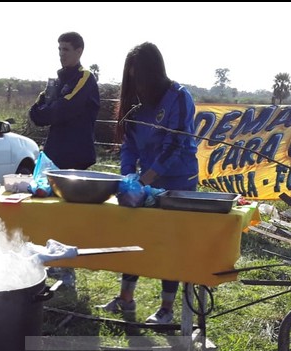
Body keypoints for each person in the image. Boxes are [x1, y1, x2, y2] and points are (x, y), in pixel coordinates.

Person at [100, 42, 199, 324]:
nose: (137, 87)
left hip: (178, 180)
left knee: (170, 242)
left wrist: (147, 178)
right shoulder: (135, 103)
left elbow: (175, 143)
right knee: (135, 236)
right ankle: (125, 298)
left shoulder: (178, 97)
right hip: (145, 180)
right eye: (131, 80)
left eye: (140, 80)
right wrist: (128, 177)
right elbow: (129, 144)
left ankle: (166, 308)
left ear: (154, 75)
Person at [29, 32, 100, 288]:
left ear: (79, 51)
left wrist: (51, 110)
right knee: (51, 212)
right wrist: (50, 110)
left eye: (66, 49)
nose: (62, 54)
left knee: (69, 215)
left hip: (75, 157)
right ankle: (54, 263)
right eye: (59, 49)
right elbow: (36, 114)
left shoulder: (84, 78)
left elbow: (64, 108)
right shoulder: (56, 81)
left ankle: (68, 270)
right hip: (54, 157)